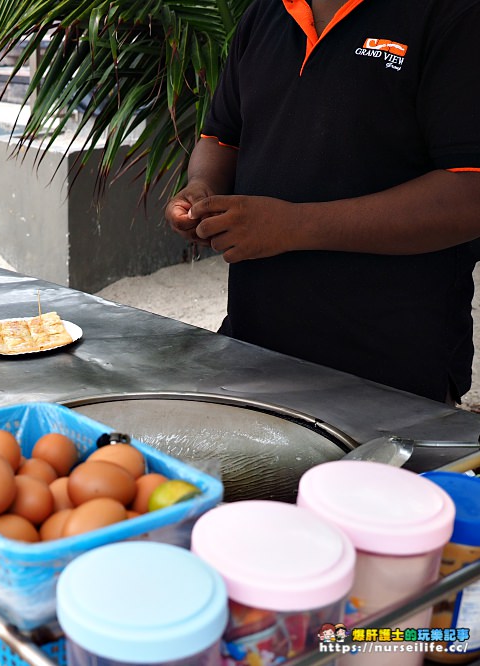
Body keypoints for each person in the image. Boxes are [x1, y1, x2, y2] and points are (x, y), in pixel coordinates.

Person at [164, 0, 480, 404]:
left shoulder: (452, 15)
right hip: (253, 347)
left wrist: (292, 226)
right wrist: (200, 187)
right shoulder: (265, 13)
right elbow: (221, 136)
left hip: (389, 370)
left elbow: (469, 193)